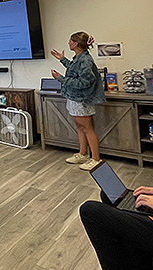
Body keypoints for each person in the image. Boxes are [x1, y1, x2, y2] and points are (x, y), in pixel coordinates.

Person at [51, 31, 106, 171]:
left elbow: (84, 82)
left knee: (87, 128)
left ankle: (96, 159)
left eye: (70, 41)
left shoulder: (86, 60)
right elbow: (74, 69)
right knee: (80, 127)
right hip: (74, 98)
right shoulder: (79, 57)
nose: (68, 43)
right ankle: (83, 153)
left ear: (76, 44)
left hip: (82, 99)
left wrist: (61, 79)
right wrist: (62, 59)